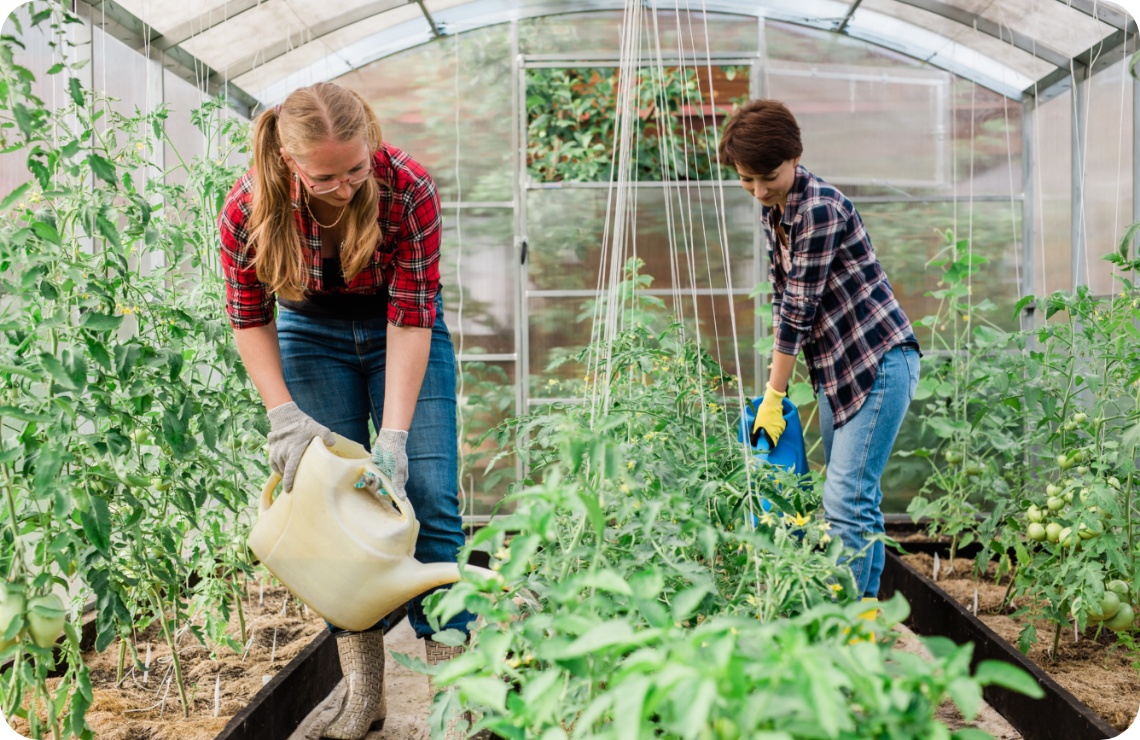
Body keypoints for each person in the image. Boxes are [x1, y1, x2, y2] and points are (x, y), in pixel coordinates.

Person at [218, 81, 473, 740]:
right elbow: (249, 317)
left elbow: (414, 312)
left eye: (356, 168)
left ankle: (457, 703)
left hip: (402, 330)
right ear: (287, 161)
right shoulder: (247, 207)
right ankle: (364, 698)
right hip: (309, 334)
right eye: (324, 176)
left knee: (432, 498)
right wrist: (283, 416)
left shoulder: (407, 188)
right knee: (333, 519)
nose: (346, 186)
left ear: (372, 141)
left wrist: (392, 437)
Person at [719, 99, 921, 603]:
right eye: (746, 180)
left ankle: (845, 623)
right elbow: (780, 296)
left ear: (795, 156)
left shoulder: (820, 209)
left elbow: (798, 309)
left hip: (877, 363)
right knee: (857, 500)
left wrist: (773, 393)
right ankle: (865, 616)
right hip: (837, 374)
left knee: (844, 500)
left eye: (767, 176)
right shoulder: (778, 211)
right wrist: (777, 386)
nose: (759, 190)